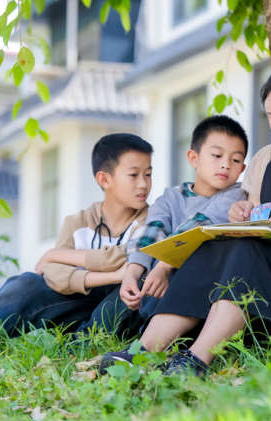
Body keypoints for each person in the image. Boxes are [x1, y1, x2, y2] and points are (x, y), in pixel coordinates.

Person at [99, 62, 271, 377]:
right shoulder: (266, 159)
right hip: (259, 281)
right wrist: (241, 213)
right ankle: (141, 352)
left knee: (247, 250)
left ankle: (194, 360)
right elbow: (253, 220)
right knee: (218, 243)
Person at [0, 133, 154, 355]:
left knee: (138, 280)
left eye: (148, 174)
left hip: (120, 308)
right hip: (75, 306)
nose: (143, 184)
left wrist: (55, 254)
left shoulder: (153, 219)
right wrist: (112, 276)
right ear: (104, 179)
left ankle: (78, 350)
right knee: (26, 283)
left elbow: (129, 255)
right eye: (134, 175)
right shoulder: (77, 222)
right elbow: (53, 274)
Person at [98, 115, 249, 374]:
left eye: (235, 160)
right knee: (110, 308)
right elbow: (150, 232)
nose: (226, 165)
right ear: (194, 158)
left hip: (199, 295)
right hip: (155, 292)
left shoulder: (236, 195)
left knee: (204, 250)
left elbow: (201, 227)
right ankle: (113, 344)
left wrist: (163, 268)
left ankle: (155, 351)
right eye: (217, 156)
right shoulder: (172, 196)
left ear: (242, 168)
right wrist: (132, 274)